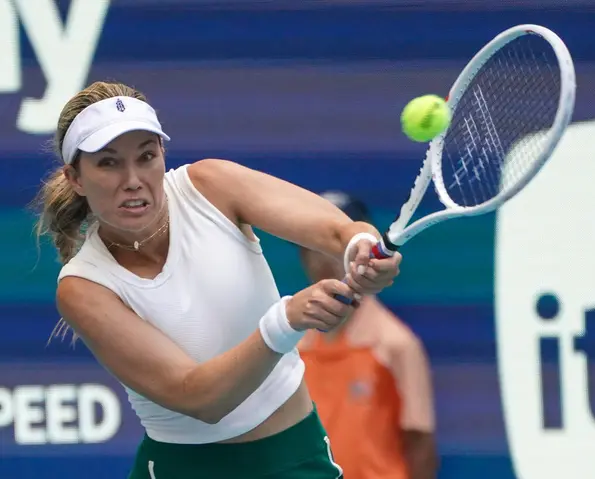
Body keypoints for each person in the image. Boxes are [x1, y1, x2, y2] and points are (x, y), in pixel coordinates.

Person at [33, 81, 402, 479]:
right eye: (108, 163)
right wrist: (287, 321)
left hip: (294, 457)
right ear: (75, 178)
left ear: (162, 155)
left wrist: (361, 246)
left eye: (146, 156)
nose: (133, 179)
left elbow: (336, 231)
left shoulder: (211, 185)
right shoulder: (83, 287)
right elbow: (198, 397)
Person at [298, 191, 438, 479]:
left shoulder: (396, 344)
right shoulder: (291, 346)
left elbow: (420, 443)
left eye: (337, 244)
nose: (324, 256)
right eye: (314, 245)